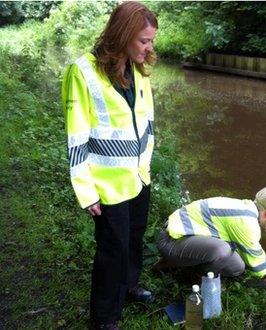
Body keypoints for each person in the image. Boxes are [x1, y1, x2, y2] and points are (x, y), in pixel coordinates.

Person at [61, 2, 157, 328]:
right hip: (106, 183)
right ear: (124, 34)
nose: (149, 47)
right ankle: (104, 318)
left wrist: (146, 164)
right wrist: (85, 190)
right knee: (112, 251)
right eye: (144, 40)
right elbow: (76, 134)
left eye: (152, 41)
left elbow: (146, 121)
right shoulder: (82, 72)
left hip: (139, 176)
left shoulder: (138, 68)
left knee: (135, 237)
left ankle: (128, 286)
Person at [157, 186, 266, 300]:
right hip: (171, 240)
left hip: (187, 239)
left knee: (237, 267)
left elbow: (249, 253)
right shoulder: (246, 223)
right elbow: (258, 263)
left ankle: (185, 265)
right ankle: (195, 281)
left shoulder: (246, 208)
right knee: (222, 250)